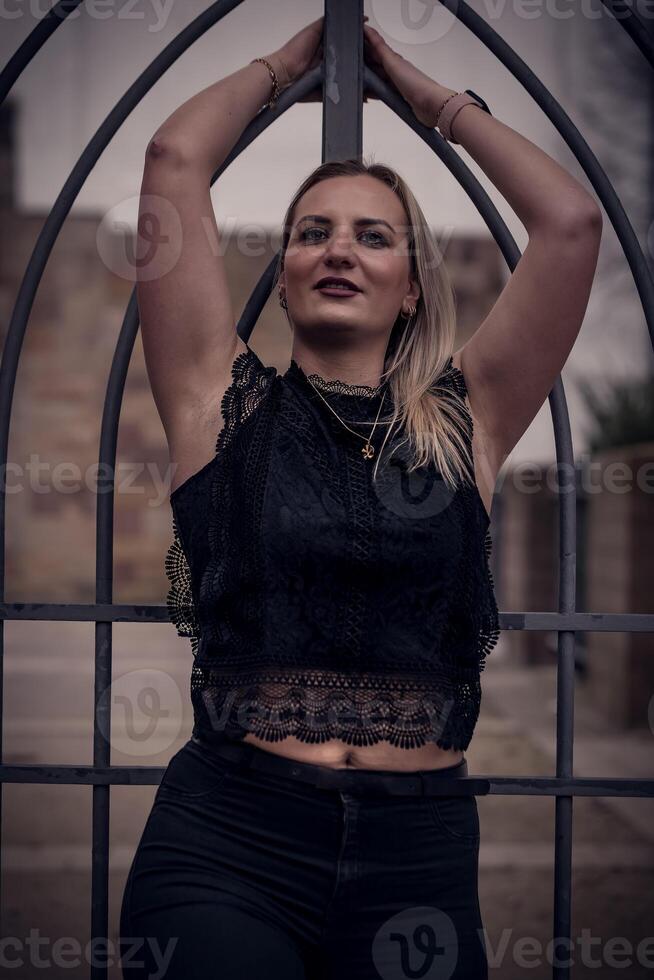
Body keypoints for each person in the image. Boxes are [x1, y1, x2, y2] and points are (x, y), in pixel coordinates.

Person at [119, 15, 602, 979]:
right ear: (288, 275)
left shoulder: (469, 421)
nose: (339, 250)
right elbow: (173, 160)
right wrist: (287, 62)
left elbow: (571, 224)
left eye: (372, 236)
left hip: (415, 860)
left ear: (412, 285)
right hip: (229, 843)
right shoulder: (220, 406)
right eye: (313, 233)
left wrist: (433, 102)